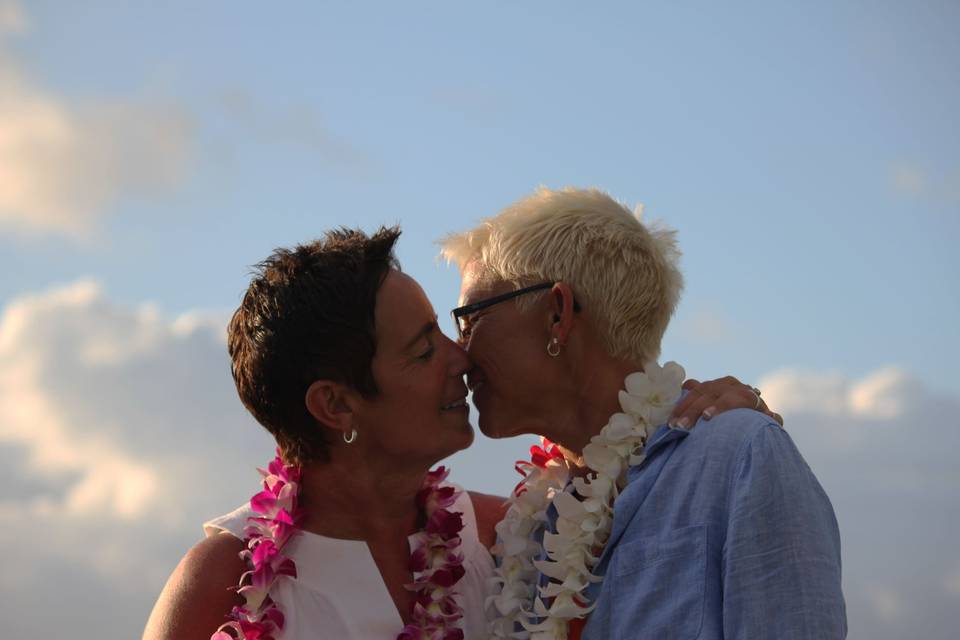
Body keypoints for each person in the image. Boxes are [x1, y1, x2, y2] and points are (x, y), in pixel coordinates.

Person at [143, 226, 782, 640]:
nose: (461, 358)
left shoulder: (514, 537)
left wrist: (725, 402)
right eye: (423, 351)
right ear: (336, 406)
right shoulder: (222, 583)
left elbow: (643, 484)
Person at [441, 187, 846, 639]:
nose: (459, 353)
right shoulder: (528, 523)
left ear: (557, 313)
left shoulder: (739, 456)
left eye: (471, 319)